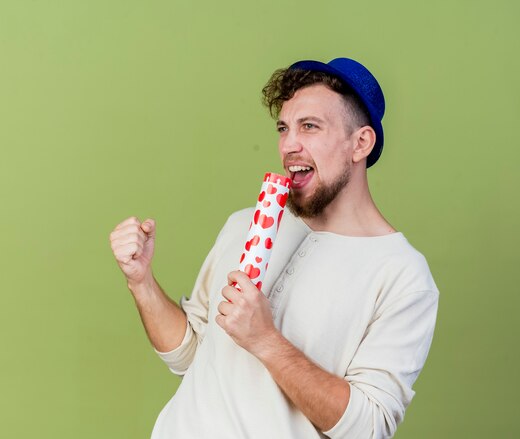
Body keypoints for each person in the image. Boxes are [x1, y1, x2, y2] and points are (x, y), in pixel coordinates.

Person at [109, 57, 439, 439]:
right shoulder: (246, 223)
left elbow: (366, 427)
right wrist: (141, 281)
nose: (289, 145)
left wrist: (265, 340)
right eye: (284, 128)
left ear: (360, 142)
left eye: (310, 127)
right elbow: (189, 354)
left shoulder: (402, 276)